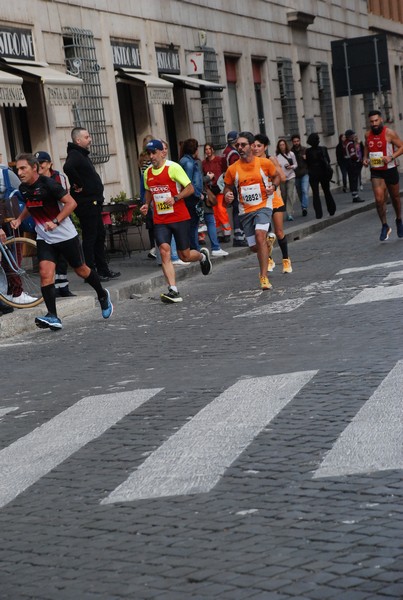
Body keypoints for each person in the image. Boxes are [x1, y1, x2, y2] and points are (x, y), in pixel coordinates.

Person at [10, 153, 113, 330]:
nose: (19, 172)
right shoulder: (23, 188)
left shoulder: (49, 184)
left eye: (22, 168)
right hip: (44, 237)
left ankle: (102, 295)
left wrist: (56, 221)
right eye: (17, 169)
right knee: (45, 273)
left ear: (34, 168)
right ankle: (53, 316)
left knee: (81, 270)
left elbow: (71, 203)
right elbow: (31, 203)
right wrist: (19, 219)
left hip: (65, 235)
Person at [140, 139, 212, 304]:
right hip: (160, 220)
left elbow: (190, 188)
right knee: (164, 251)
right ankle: (173, 290)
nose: (151, 157)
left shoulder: (173, 167)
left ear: (162, 153)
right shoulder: (147, 173)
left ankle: (201, 256)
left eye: (153, 153)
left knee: (185, 256)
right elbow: (148, 191)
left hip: (179, 217)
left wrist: (176, 197)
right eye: (148, 153)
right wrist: (146, 204)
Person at [223, 131, 280, 290]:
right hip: (245, 210)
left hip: (263, 205)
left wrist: (273, 187)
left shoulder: (264, 163)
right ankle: (267, 245)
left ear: (250, 145)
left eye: (243, 145)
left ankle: (263, 277)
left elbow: (277, 177)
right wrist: (227, 194)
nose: (239, 148)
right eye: (237, 145)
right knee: (255, 247)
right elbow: (227, 186)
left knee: (259, 234)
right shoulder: (232, 169)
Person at [63, 127, 120, 282]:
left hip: (93, 202)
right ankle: (90, 273)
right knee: (90, 237)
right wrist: (78, 183)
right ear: (78, 140)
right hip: (86, 203)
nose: (90, 139)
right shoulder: (75, 154)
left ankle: (103, 269)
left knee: (99, 235)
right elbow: (67, 167)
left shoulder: (81, 154)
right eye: (87, 137)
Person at [35, 151, 76, 297]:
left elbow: (65, 198)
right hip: (43, 221)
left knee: (65, 256)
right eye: (37, 163)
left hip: (59, 218)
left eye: (42, 163)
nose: (39, 166)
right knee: (50, 257)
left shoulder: (59, 177)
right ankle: (54, 288)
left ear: (49, 164)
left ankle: (63, 286)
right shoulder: (34, 181)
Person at [253, 134, 292, 274]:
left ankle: (286, 260)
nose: (256, 148)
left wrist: (269, 176)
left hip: (274, 199)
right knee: (262, 234)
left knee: (279, 231)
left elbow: (282, 177)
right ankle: (268, 259)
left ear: (265, 147)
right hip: (259, 201)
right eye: (254, 146)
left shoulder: (271, 160)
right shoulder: (250, 162)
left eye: (259, 146)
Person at [363, 109, 403, 241]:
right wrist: (365, 158)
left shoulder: (389, 133)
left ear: (381, 120)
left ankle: (398, 220)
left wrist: (391, 157)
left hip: (390, 169)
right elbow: (367, 147)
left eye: (376, 121)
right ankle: (385, 225)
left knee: (395, 198)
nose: (374, 124)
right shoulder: (367, 134)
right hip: (376, 171)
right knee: (379, 200)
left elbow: (402, 147)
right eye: (371, 122)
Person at [202, 143, 232, 243]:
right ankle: (219, 234)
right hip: (210, 190)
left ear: (213, 150)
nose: (208, 151)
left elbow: (226, 171)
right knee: (214, 212)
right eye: (206, 149)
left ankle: (227, 232)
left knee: (221, 209)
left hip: (220, 188)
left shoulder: (219, 160)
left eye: (209, 148)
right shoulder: (204, 163)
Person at [222, 131, 247, 247]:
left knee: (236, 210)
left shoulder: (225, 151)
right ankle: (239, 236)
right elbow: (236, 170)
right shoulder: (233, 154)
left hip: (228, 182)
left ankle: (239, 235)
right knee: (238, 209)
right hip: (234, 184)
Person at [179, 138, 204, 251]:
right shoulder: (188, 162)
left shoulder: (185, 161)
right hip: (191, 197)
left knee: (192, 224)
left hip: (191, 196)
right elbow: (188, 183)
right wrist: (198, 194)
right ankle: (194, 247)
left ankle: (193, 246)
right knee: (193, 224)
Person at [306, 132, 336, 219]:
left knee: (317, 194)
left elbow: (308, 163)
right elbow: (328, 161)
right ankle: (331, 210)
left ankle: (319, 214)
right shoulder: (323, 149)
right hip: (322, 173)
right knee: (326, 192)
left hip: (315, 174)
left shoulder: (308, 151)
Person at [138, 134, 157, 260]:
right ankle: (155, 247)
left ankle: (154, 247)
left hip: (147, 189)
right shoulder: (149, 159)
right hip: (150, 188)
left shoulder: (142, 157)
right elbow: (145, 178)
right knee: (153, 221)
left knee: (151, 223)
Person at [275, 138, 297, 221]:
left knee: (290, 194)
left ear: (286, 145)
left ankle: (289, 213)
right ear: (278, 146)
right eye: (280, 145)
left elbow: (295, 164)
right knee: (283, 195)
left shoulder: (291, 154)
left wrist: (291, 166)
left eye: (283, 144)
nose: (282, 146)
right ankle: (287, 209)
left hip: (291, 176)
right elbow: (276, 167)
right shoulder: (277, 156)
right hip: (282, 178)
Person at [344, 129, 364, 203]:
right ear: (350, 136)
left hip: (348, 163)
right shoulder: (350, 144)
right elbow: (353, 155)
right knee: (354, 179)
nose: (354, 136)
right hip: (352, 163)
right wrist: (358, 159)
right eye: (353, 135)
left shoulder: (345, 143)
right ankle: (355, 196)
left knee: (352, 179)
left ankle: (354, 195)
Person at [291, 134, 309, 216]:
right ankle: (303, 206)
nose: (296, 143)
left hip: (305, 173)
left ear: (300, 141)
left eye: (297, 141)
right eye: (294, 141)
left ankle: (304, 207)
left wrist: (307, 158)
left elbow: (310, 161)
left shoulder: (305, 150)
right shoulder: (290, 152)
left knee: (304, 190)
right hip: (296, 175)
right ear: (292, 142)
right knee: (299, 192)